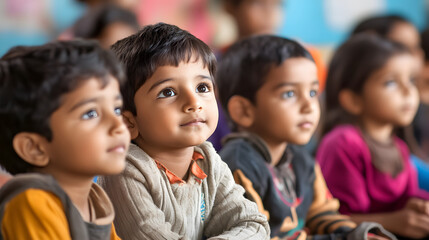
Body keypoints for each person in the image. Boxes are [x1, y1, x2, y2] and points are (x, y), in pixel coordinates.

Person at [97, 22, 270, 240]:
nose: (194, 102)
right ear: (128, 122)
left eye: (202, 87)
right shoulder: (125, 170)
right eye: (168, 92)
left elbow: (253, 224)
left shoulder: (207, 160)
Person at [217, 35, 395, 240]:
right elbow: (256, 235)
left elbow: (322, 214)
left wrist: (357, 234)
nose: (309, 106)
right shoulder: (238, 166)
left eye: (312, 92)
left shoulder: (301, 160)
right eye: (289, 94)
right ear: (244, 111)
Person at [0, 40, 130, 239]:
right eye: (90, 113)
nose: (118, 125)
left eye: (117, 109)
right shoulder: (32, 202)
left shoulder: (94, 199)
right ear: (35, 148)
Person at [316, 33, 429, 239]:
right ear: (352, 99)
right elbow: (332, 219)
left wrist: (418, 208)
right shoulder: (343, 143)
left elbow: (405, 200)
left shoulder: (398, 146)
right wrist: (394, 221)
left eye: (411, 80)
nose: (408, 91)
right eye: (390, 83)